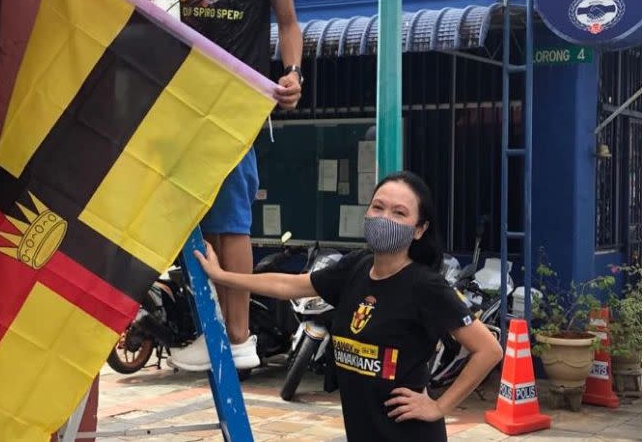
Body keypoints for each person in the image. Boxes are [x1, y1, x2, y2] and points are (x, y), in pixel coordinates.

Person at [120, 0, 303, 371]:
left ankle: (240, 337)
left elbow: (289, 24)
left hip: (237, 98)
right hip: (183, 93)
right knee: (183, 213)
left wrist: (292, 74)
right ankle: (212, 326)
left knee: (231, 220)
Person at [194, 171, 503, 441]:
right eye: (378, 207)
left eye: (399, 213)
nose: (384, 218)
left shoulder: (425, 286)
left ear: (420, 229)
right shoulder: (355, 268)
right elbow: (289, 285)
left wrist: (438, 407)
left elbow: (488, 349)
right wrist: (224, 277)